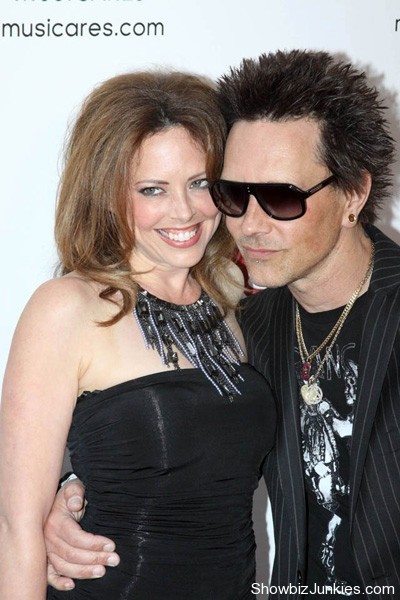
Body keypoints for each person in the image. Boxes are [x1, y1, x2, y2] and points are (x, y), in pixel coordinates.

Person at [45, 50, 400, 599]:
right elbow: (170, 435)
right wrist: (72, 492)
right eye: (233, 194)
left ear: (353, 193)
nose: (249, 225)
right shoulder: (247, 326)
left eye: (281, 197)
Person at [0, 70, 276, 599]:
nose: (185, 211)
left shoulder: (234, 302)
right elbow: (17, 530)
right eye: (153, 189)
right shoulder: (66, 310)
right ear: (107, 195)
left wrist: (71, 488)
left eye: (200, 183)